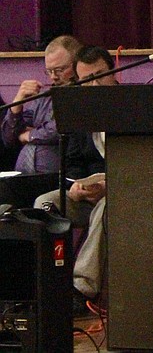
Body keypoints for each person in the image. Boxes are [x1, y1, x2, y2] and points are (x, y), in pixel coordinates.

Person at [33, 45, 117, 314]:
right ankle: (44, 284)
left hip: (124, 196)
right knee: (45, 201)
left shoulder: (135, 105)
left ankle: (82, 289)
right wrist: (75, 187)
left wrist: (109, 188)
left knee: (108, 206)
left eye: (100, 75)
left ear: (114, 72)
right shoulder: (80, 111)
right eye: (86, 80)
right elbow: (70, 163)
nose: (94, 84)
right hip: (86, 194)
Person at [0, 35, 81, 207]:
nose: (53, 77)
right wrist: (17, 103)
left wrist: (28, 135)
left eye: (59, 70)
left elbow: (59, 128)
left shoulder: (81, 96)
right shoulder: (44, 99)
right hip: (24, 175)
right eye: (49, 71)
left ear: (76, 65)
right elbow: (8, 138)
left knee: (5, 192)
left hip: (56, 176)